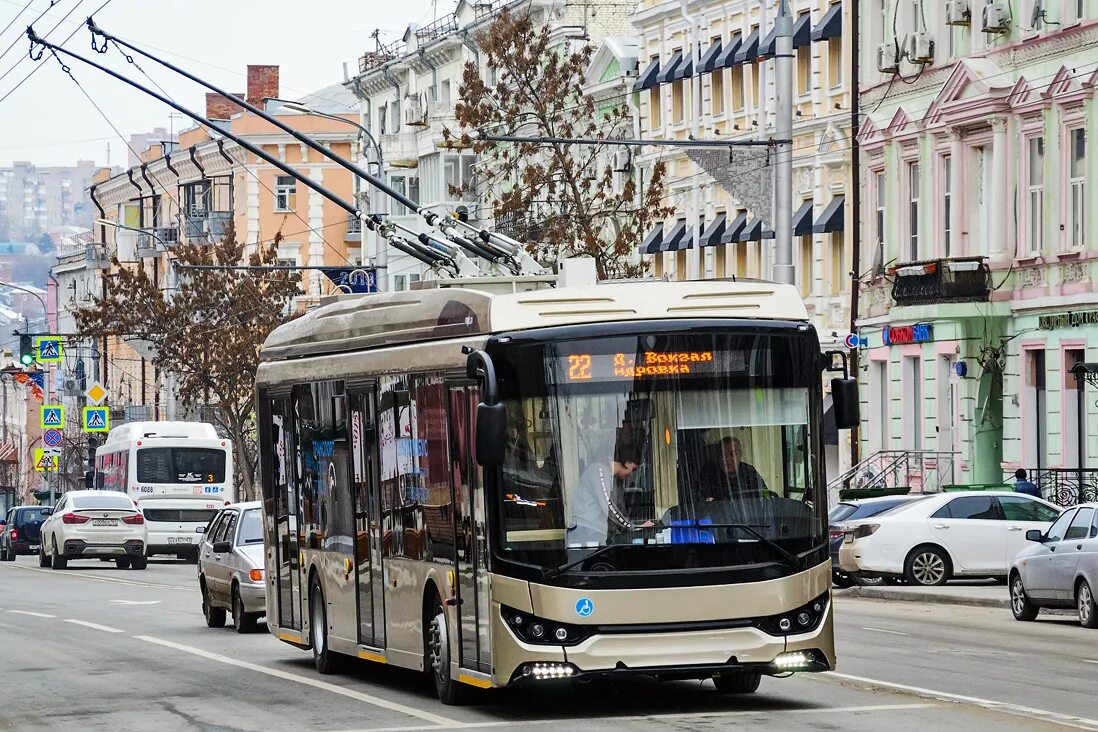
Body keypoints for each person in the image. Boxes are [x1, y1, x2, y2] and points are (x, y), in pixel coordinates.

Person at [566, 440, 649, 547]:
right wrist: (632, 527)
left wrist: (632, 526)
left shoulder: (612, 478)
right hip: (588, 532)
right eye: (633, 469)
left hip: (596, 532)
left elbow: (618, 509)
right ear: (627, 463)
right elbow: (609, 507)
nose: (631, 475)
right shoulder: (599, 471)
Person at [699, 436, 769, 502]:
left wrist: (767, 498)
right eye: (723, 455)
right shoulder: (709, 474)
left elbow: (765, 493)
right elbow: (700, 499)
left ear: (740, 455)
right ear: (718, 456)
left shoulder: (749, 471)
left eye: (732, 454)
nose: (727, 459)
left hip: (747, 513)